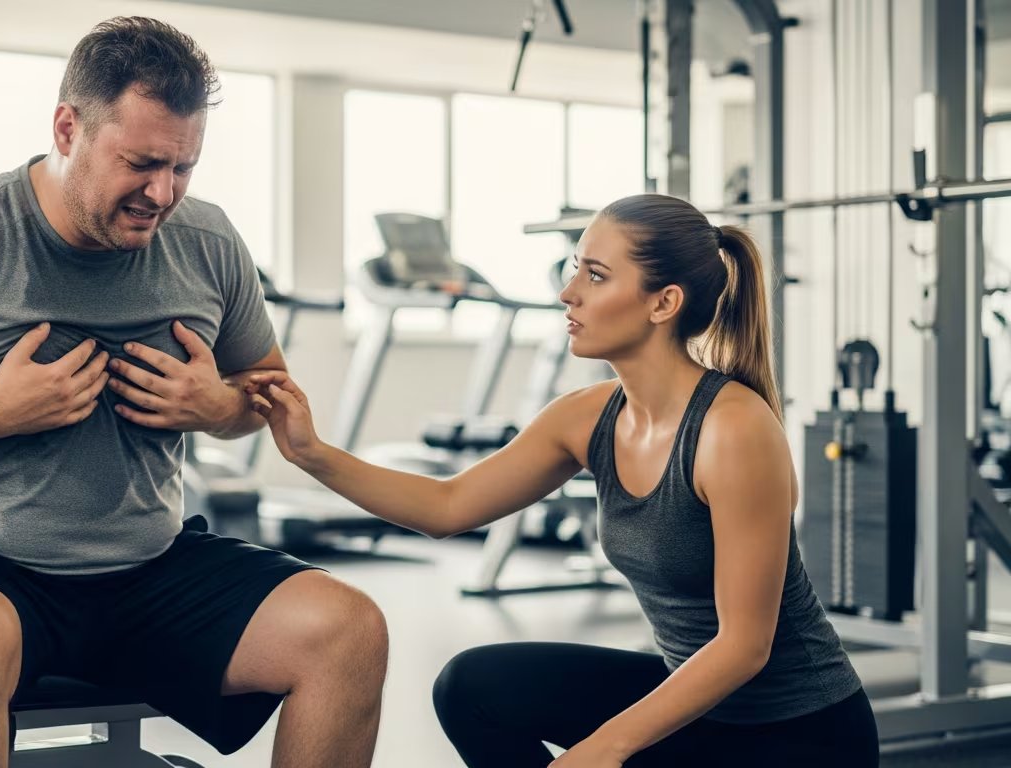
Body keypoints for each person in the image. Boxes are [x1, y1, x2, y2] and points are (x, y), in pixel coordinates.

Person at [0, 17, 387, 768]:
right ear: (68, 128)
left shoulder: (209, 241)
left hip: (148, 566)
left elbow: (260, 396)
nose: (163, 192)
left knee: (348, 629)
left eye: (184, 167)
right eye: (141, 162)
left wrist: (214, 408)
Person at [245, 193, 878, 767]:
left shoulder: (734, 429)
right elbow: (448, 505)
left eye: (595, 275)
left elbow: (745, 646)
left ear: (664, 302)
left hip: (797, 735)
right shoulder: (590, 416)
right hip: (696, 715)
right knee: (473, 687)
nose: (567, 293)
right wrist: (311, 453)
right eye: (576, 268)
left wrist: (604, 749)